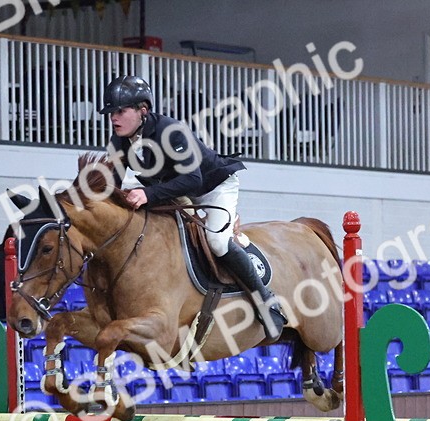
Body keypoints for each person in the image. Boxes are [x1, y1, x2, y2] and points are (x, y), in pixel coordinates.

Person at [97, 75, 287, 340]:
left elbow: (193, 179)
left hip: (213, 185)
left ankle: (267, 303)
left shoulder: (169, 131)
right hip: (177, 190)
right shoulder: (118, 141)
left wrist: (147, 193)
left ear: (143, 110)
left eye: (120, 111)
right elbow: (113, 186)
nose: (113, 118)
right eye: (110, 113)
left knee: (217, 242)